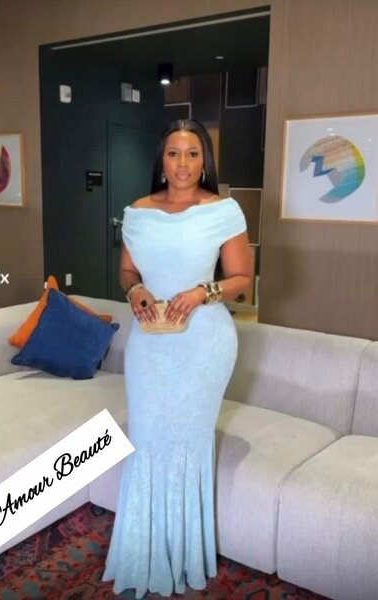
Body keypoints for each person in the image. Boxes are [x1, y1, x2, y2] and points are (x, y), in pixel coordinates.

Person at [102, 119, 252, 598]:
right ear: (161, 160)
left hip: (203, 343)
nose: (182, 164)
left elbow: (241, 279)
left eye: (192, 154)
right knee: (146, 440)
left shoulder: (223, 210)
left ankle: (185, 557)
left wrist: (202, 291)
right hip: (149, 341)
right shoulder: (137, 212)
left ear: (204, 161)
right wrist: (135, 290)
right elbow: (127, 270)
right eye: (173, 154)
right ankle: (142, 553)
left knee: (188, 443)